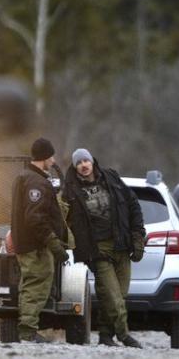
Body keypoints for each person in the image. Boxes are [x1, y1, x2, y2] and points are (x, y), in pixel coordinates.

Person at [63, 148, 146, 348]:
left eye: (85, 161)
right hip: (98, 250)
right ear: (75, 167)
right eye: (78, 163)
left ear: (92, 161)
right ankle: (125, 336)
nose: (83, 165)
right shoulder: (70, 190)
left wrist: (138, 235)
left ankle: (105, 335)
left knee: (119, 295)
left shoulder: (111, 177)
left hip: (122, 245)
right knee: (113, 295)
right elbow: (64, 220)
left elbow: (132, 204)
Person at [10, 137, 69, 343]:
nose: (53, 161)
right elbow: (35, 218)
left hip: (27, 243)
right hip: (34, 245)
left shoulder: (25, 177)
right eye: (51, 156)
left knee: (31, 283)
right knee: (37, 282)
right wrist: (53, 241)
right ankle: (28, 331)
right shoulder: (36, 182)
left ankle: (27, 329)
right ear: (44, 157)